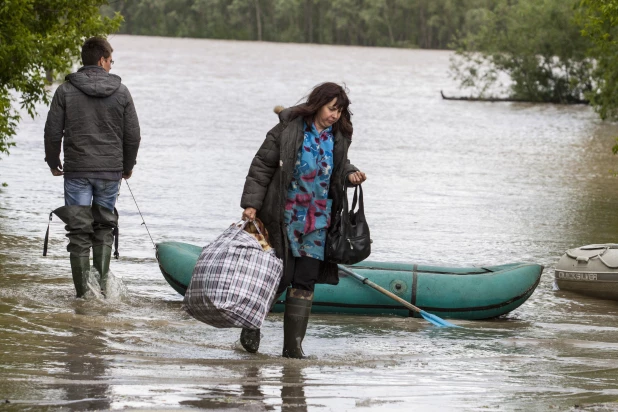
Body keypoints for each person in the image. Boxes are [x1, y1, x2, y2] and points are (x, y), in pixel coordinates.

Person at [240, 82, 367, 358]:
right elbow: (261, 165)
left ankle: (293, 348)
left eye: (340, 111)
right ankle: (252, 323)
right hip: (284, 217)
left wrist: (351, 173)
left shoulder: (339, 135)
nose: (335, 115)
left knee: (305, 281)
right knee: (281, 277)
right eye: (332, 108)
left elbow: (339, 166)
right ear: (318, 103)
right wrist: (251, 204)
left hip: (319, 220)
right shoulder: (289, 128)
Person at [44, 36, 141, 298]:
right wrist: (127, 167)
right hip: (110, 172)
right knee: (103, 228)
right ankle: (101, 294)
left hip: (77, 172)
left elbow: (52, 132)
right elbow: (133, 135)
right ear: (101, 60)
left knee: (78, 232)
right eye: (110, 60)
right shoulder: (122, 92)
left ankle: (82, 298)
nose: (111, 65)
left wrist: (53, 163)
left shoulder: (65, 90)